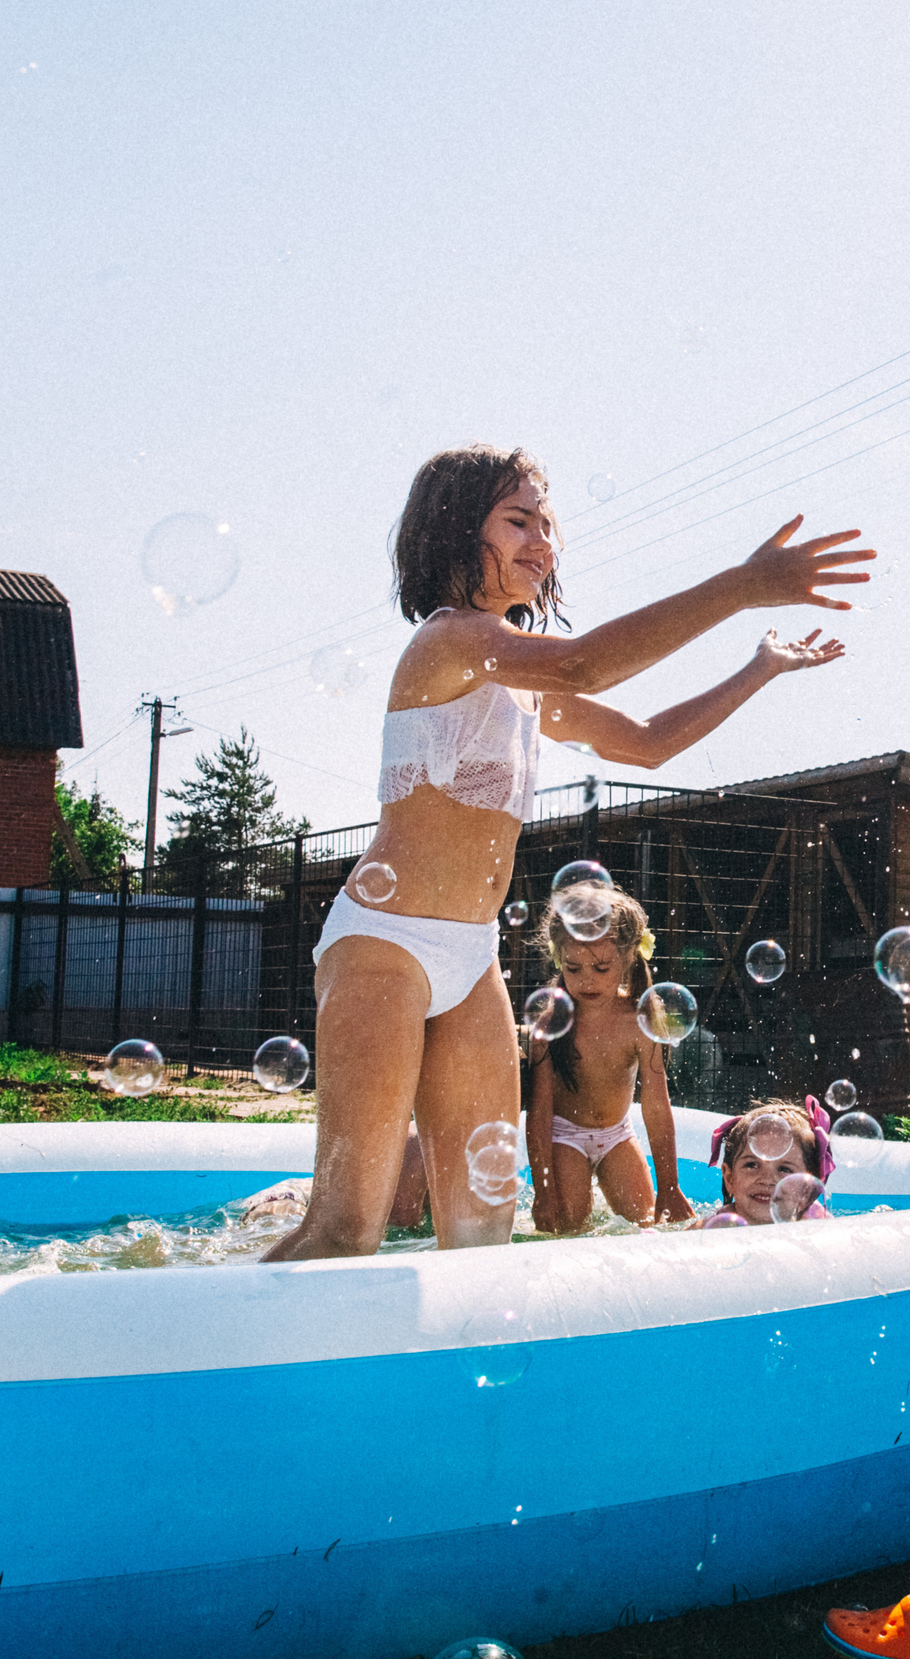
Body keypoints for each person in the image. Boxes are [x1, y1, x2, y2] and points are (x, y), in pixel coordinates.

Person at [265, 446, 867, 1261]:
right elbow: (585, 662)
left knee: (482, 1239)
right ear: (454, 529)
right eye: (518, 520)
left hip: (470, 957)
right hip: (386, 943)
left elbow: (648, 742)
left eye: (547, 525)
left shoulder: (519, 680)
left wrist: (758, 667)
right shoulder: (449, 642)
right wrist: (742, 585)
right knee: (344, 1233)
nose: (542, 541)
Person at [523, 883, 697, 1232]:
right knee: (566, 1226)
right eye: (574, 968)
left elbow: (656, 1105)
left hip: (617, 1134)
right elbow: (539, 1114)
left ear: (629, 957)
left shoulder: (639, 1022)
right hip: (565, 1135)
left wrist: (670, 1185)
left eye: (601, 968)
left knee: (646, 1225)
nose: (587, 980)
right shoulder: (550, 1026)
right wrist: (544, 1191)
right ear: (559, 960)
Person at [700, 1101, 834, 1227]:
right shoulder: (715, 1229)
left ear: (807, 1188)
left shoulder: (819, 1225)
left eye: (784, 1169)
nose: (767, 1179)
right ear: (729, 1179)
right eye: (752, 1165)